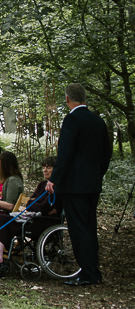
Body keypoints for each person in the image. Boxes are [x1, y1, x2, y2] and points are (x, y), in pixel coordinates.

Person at [46, 82, 112, 286]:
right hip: (92, 184)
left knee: (78, 228)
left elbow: (65, 153)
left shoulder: (72, 120)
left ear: (67, 99)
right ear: (84, 98)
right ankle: (93, 270)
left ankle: (87, 274)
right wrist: (97, 174)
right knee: (90, 227)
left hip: (73, 186)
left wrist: (54, 178)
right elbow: (106, 153)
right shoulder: (98, 121)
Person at [0, 155, 64, 273]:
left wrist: (37, 205)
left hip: (43, 222)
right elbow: (29, 204)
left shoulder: (57, 187)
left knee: (2, 220)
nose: (45, 170)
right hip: (32, 218)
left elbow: (44, 207)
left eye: (48, 167)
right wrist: (37, 205)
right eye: (43, 167)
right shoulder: (42, 185)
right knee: (0, 218)